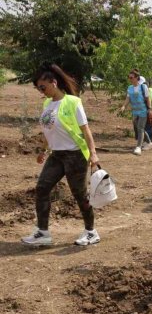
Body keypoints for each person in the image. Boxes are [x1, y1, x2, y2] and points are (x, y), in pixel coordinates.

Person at [22, 63, 100, 246]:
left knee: (79, 194)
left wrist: (93, 154)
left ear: (54, 82)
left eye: (43, 87)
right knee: (42, 188)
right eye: (39, 89)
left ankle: (91, 232)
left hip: (75, 155)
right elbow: (48, 130)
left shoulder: (73, 102)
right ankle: (43, 232)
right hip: (56, 155)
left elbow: (85, 129)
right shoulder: (47, 103)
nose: (42, 91)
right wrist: (44, 150)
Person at [120, 69, 152, 155]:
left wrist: (149, 109)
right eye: (129, 77)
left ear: (137, 78)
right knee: (138, 128)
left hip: (143, 111)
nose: (130, 79)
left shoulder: (143, 87)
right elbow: (128, 98)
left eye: (131, 77)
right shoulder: (130, 88)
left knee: (140, 128)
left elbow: (147, 98)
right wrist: (124, 106)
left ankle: (138, 147)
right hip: (135, 111)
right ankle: (149, 143)